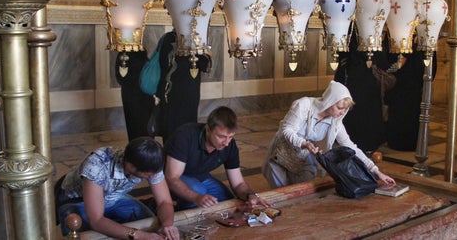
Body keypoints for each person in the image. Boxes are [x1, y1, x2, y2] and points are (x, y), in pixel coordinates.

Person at [262, 80, 396, 188]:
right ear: (329, 101)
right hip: (280, 154)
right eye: (340, 108)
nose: (342, 112)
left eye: (345, 109)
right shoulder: (303, 105)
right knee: (282, 191)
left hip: (303, 156)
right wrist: (303, 143)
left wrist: (377, 171)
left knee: (303, 191)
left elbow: (351, 147)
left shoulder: (335, 122)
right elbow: (287, 130)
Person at [55, 137, 180, 239]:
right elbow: (97, 220)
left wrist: (167, 225)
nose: (153, 177)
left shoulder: (152, 165)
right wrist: (139, 235)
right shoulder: (96, 165)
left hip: (113, 196)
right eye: (148, 175)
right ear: (130, 166)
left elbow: (164, 202)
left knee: (153, 224)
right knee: (85, 235)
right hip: (78, 200)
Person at [164, 106, 272, 210]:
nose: (226, 143)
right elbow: (172, 178)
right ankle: (173, 210)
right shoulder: (185, 136)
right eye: (221, 137)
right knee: (199, 192)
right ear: (208, 129)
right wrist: (196, 197)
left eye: (230, 137)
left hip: (201, 177)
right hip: (172, 177)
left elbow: (238, 183)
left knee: (227, 200)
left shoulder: (230, 145)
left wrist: (250, 196)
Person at [334, 26, 390, 155]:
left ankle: (359, 142)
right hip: (359, 80)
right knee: (359, 111)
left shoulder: (354, 29)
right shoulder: (362, 30)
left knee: (362, 111)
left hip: (362, 80)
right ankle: (361, 142)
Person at [155, 30, 211, 143]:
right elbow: (166, 64)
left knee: (187, 127)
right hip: (172, 94)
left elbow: (205, 66)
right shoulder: (170, 39)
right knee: (173, 131)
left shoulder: (195, 39)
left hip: (188, 94)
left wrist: (204, 52)